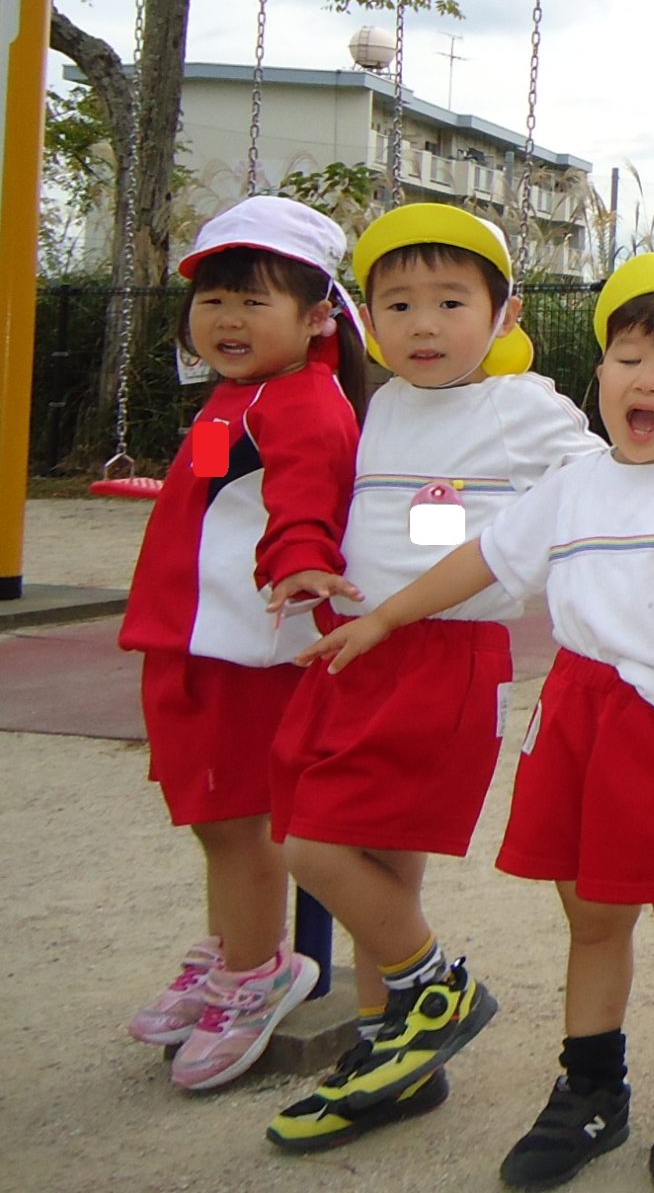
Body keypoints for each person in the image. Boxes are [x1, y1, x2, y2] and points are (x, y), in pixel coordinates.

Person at [303, 255, 654, 1189]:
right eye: (631, 354)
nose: (649, 377)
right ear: (598, 375)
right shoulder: (574, 482)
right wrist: (390, 614)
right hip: (580, 716)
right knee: (590, 912)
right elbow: (485, 557)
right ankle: (590, 1085)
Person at [262, 204, 606, 1150]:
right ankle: (392, 1054)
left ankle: (434, 987)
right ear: (366, 317)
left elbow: (601, 479)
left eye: (450, 302)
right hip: (357, 647)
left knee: (310, 843)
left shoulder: (522, 404)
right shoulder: (384, 404)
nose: (422, 324)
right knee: (380, 860)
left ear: (503, 313)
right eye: (398, 303)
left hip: (442, 657)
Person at [119, 196, 366, 1091]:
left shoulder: (301, 402)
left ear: (316, 316)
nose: (226, 317)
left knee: (240, 823)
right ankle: (234, 950)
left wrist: (301, 563)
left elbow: (305, 503)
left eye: (253, 300)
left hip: (243, 645)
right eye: (214, 297)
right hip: (196, 637)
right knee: (212, 818)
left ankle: (259, 973)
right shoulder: (242, 395)